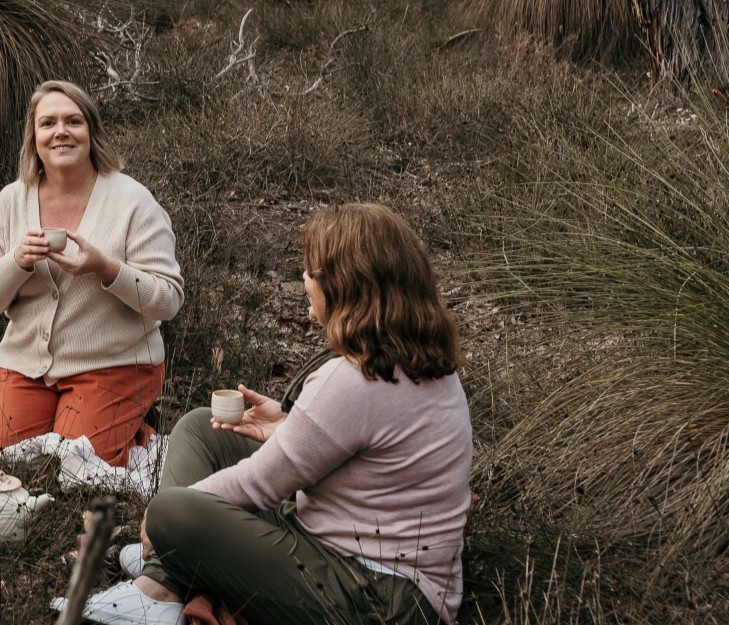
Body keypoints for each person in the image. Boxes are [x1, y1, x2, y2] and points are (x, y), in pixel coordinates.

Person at [73, 203, 471, 625]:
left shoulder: (353, 378)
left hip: (376, 597)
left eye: (312, 271)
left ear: (345, 284)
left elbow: (257, 485)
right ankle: (164, 582)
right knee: (198, 428)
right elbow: (369, 447)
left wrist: (161, 519)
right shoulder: (419, 360)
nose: (304, 279)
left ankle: (158, 585)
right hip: (378, 573)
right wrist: (289, 426)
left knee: (175, 511)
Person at [0, 80, 184, 467]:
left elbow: (168, 300)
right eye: (47, 124)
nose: (60, 131)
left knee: (78, 464)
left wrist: (106, 268)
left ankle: (135, 430)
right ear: (34, 138)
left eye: (73, 121)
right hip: (28, 364)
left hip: (112, 363)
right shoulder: (12, 200)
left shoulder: (132, 201)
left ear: (90, 132)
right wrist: (17, 262)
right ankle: (66, 417)